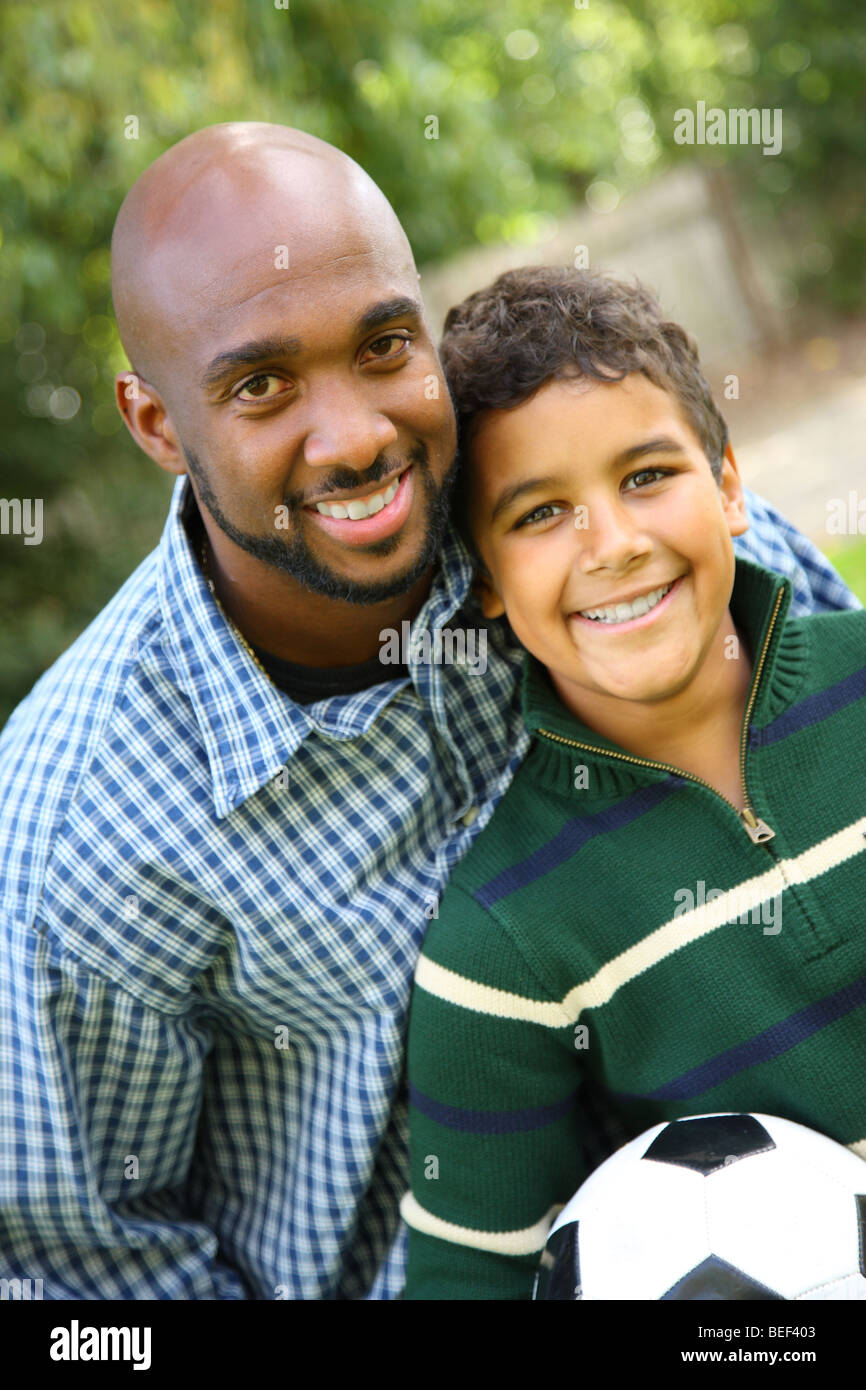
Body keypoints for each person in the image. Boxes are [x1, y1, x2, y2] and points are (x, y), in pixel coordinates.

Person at [0, 127, 858, 1302]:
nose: (355, 435)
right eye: (261, 385)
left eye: (382, 345)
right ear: (155, 424)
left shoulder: (615, 548)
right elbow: (74, 1282)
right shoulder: (80, 834)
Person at [400, 266, 866, 1300]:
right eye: (538, 513)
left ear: (731, 486)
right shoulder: (500, 937)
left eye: (646, 475)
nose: (611, 544)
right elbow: (462, 1279)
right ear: (481, 581)